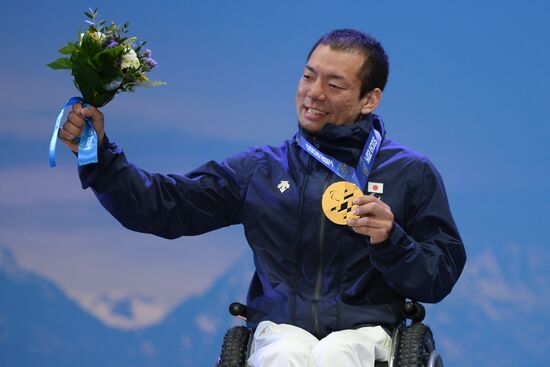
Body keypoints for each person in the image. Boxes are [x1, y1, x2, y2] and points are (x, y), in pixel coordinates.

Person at [59, 29, 466, 366]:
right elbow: (163, 206)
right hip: (280, 332)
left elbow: (439, 273)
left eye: (334, 84)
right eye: (308, 77)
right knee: (286, 353)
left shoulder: (408, 173)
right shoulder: (262, 170)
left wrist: (391, 239)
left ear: (369, 99)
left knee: (337, 355)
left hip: (367, 335)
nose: (314, 93)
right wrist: (99, 157)